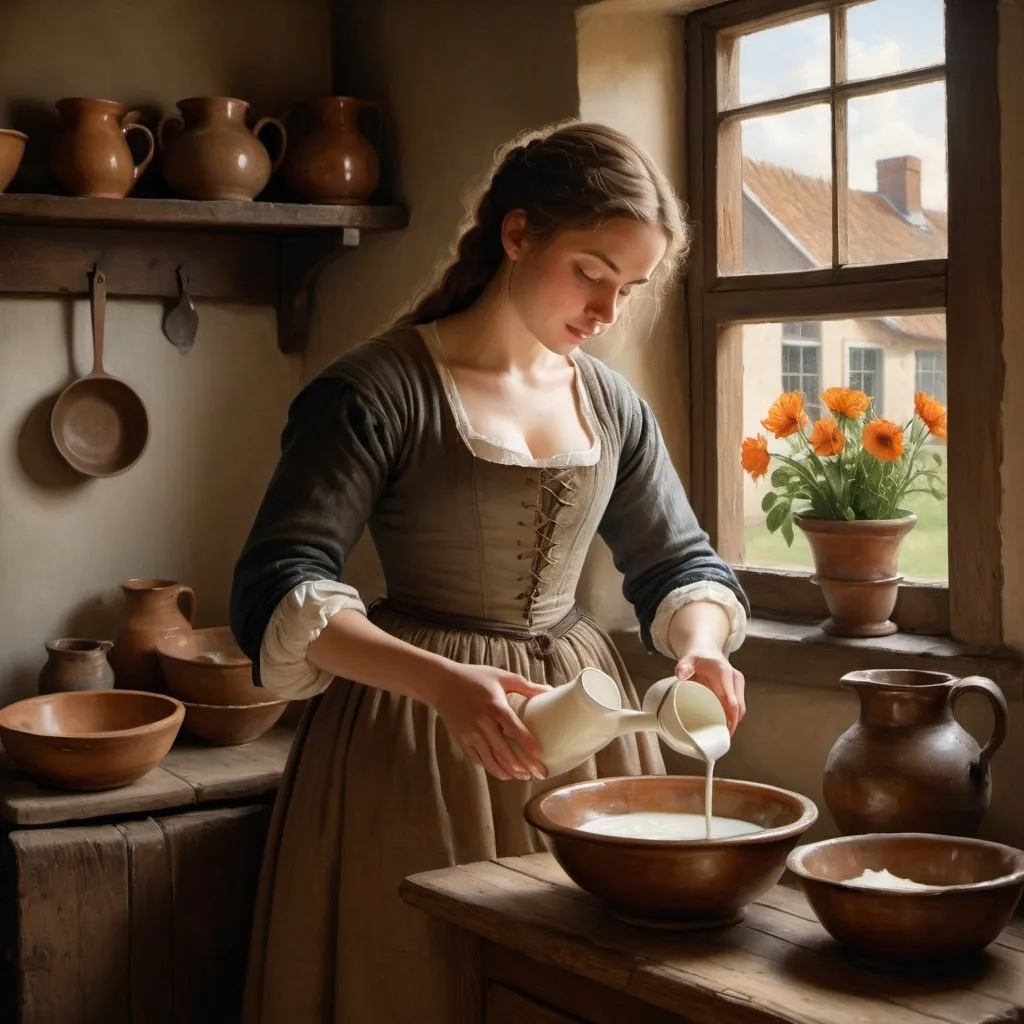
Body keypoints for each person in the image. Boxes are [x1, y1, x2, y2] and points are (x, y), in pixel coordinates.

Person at [230, 119, 749, 1024]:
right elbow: (280, 583)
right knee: (421, 980)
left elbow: (677, 560)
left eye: (630, 286)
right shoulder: (375, 390)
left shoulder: (612, 404)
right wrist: (447, 685)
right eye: (592, 271)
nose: (607, 310)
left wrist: (701, 649)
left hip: (585, 729)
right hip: (416, 729)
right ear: (517, 235)